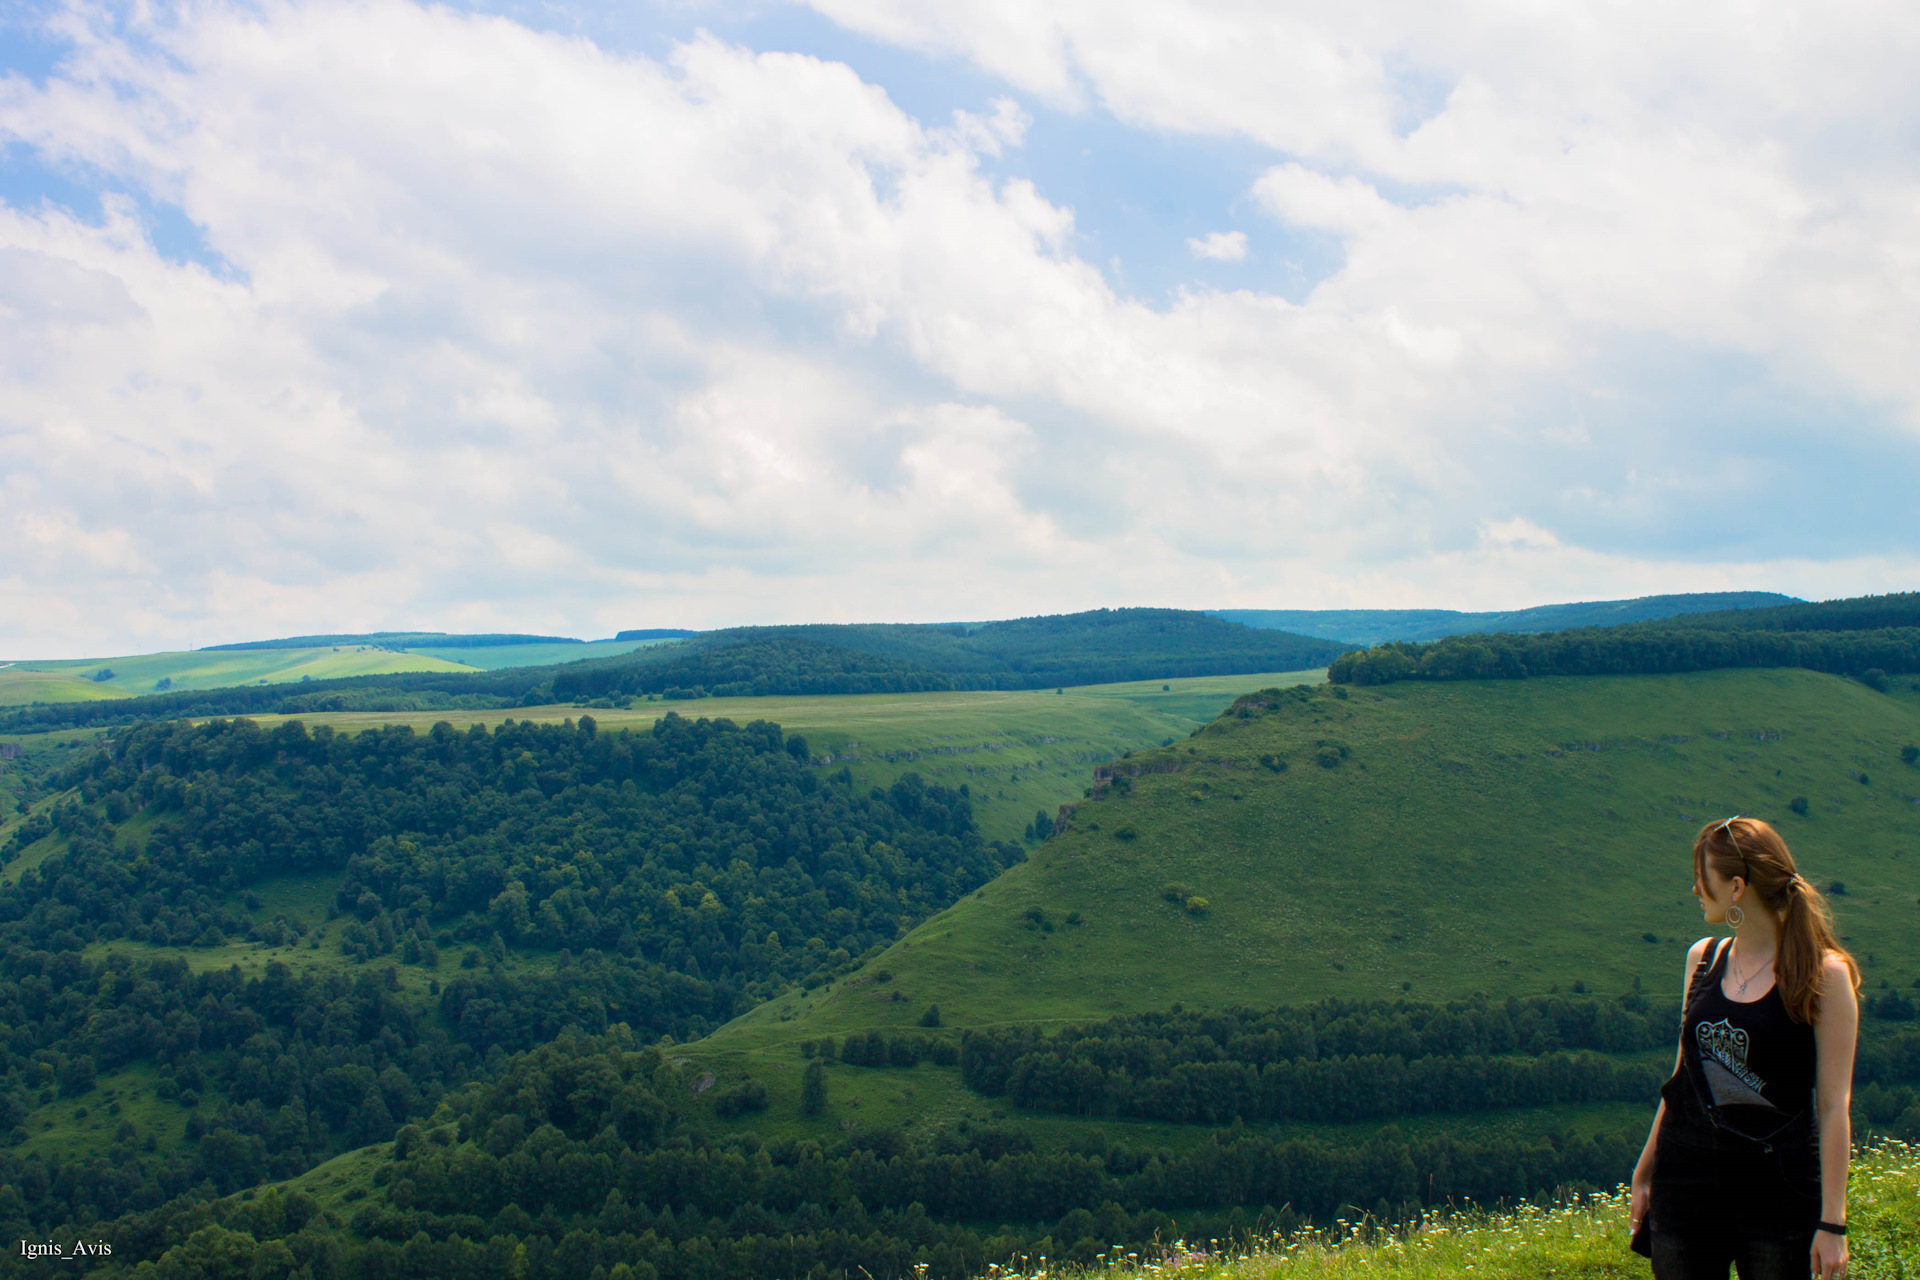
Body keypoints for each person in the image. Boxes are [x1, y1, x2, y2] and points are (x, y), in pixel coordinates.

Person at [1630, 816, 1859, 1279]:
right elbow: (1683, 1080)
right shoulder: (1703, 959)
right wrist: (1645, 1169)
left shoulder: (1823, 975)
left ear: (1736, 887)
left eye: (1703, 878)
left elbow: (1835, 1105)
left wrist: (1833, 1223)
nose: (1695, 889)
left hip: (1777, 1191)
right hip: (1685, 1180)